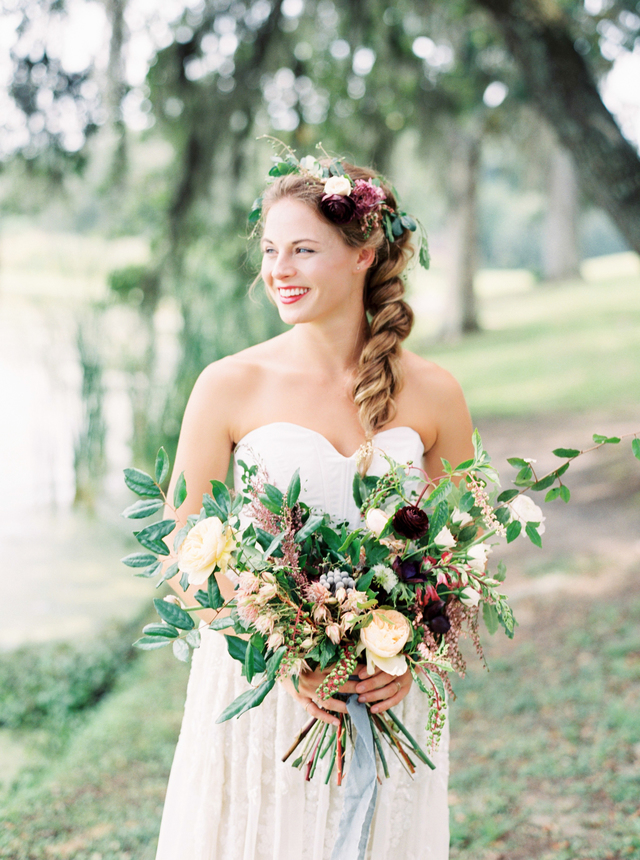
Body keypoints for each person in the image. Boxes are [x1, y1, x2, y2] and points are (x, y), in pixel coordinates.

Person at [155, 153, 474, 860]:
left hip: (387, 684)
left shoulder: (435, 393)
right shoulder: (228, 385)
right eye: (271, 251)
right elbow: (182, 547)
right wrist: (284, 651)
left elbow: (460, 547)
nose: (279, 270)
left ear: (364, 254)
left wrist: (412, 652)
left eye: (303, 250)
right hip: (264, 687)